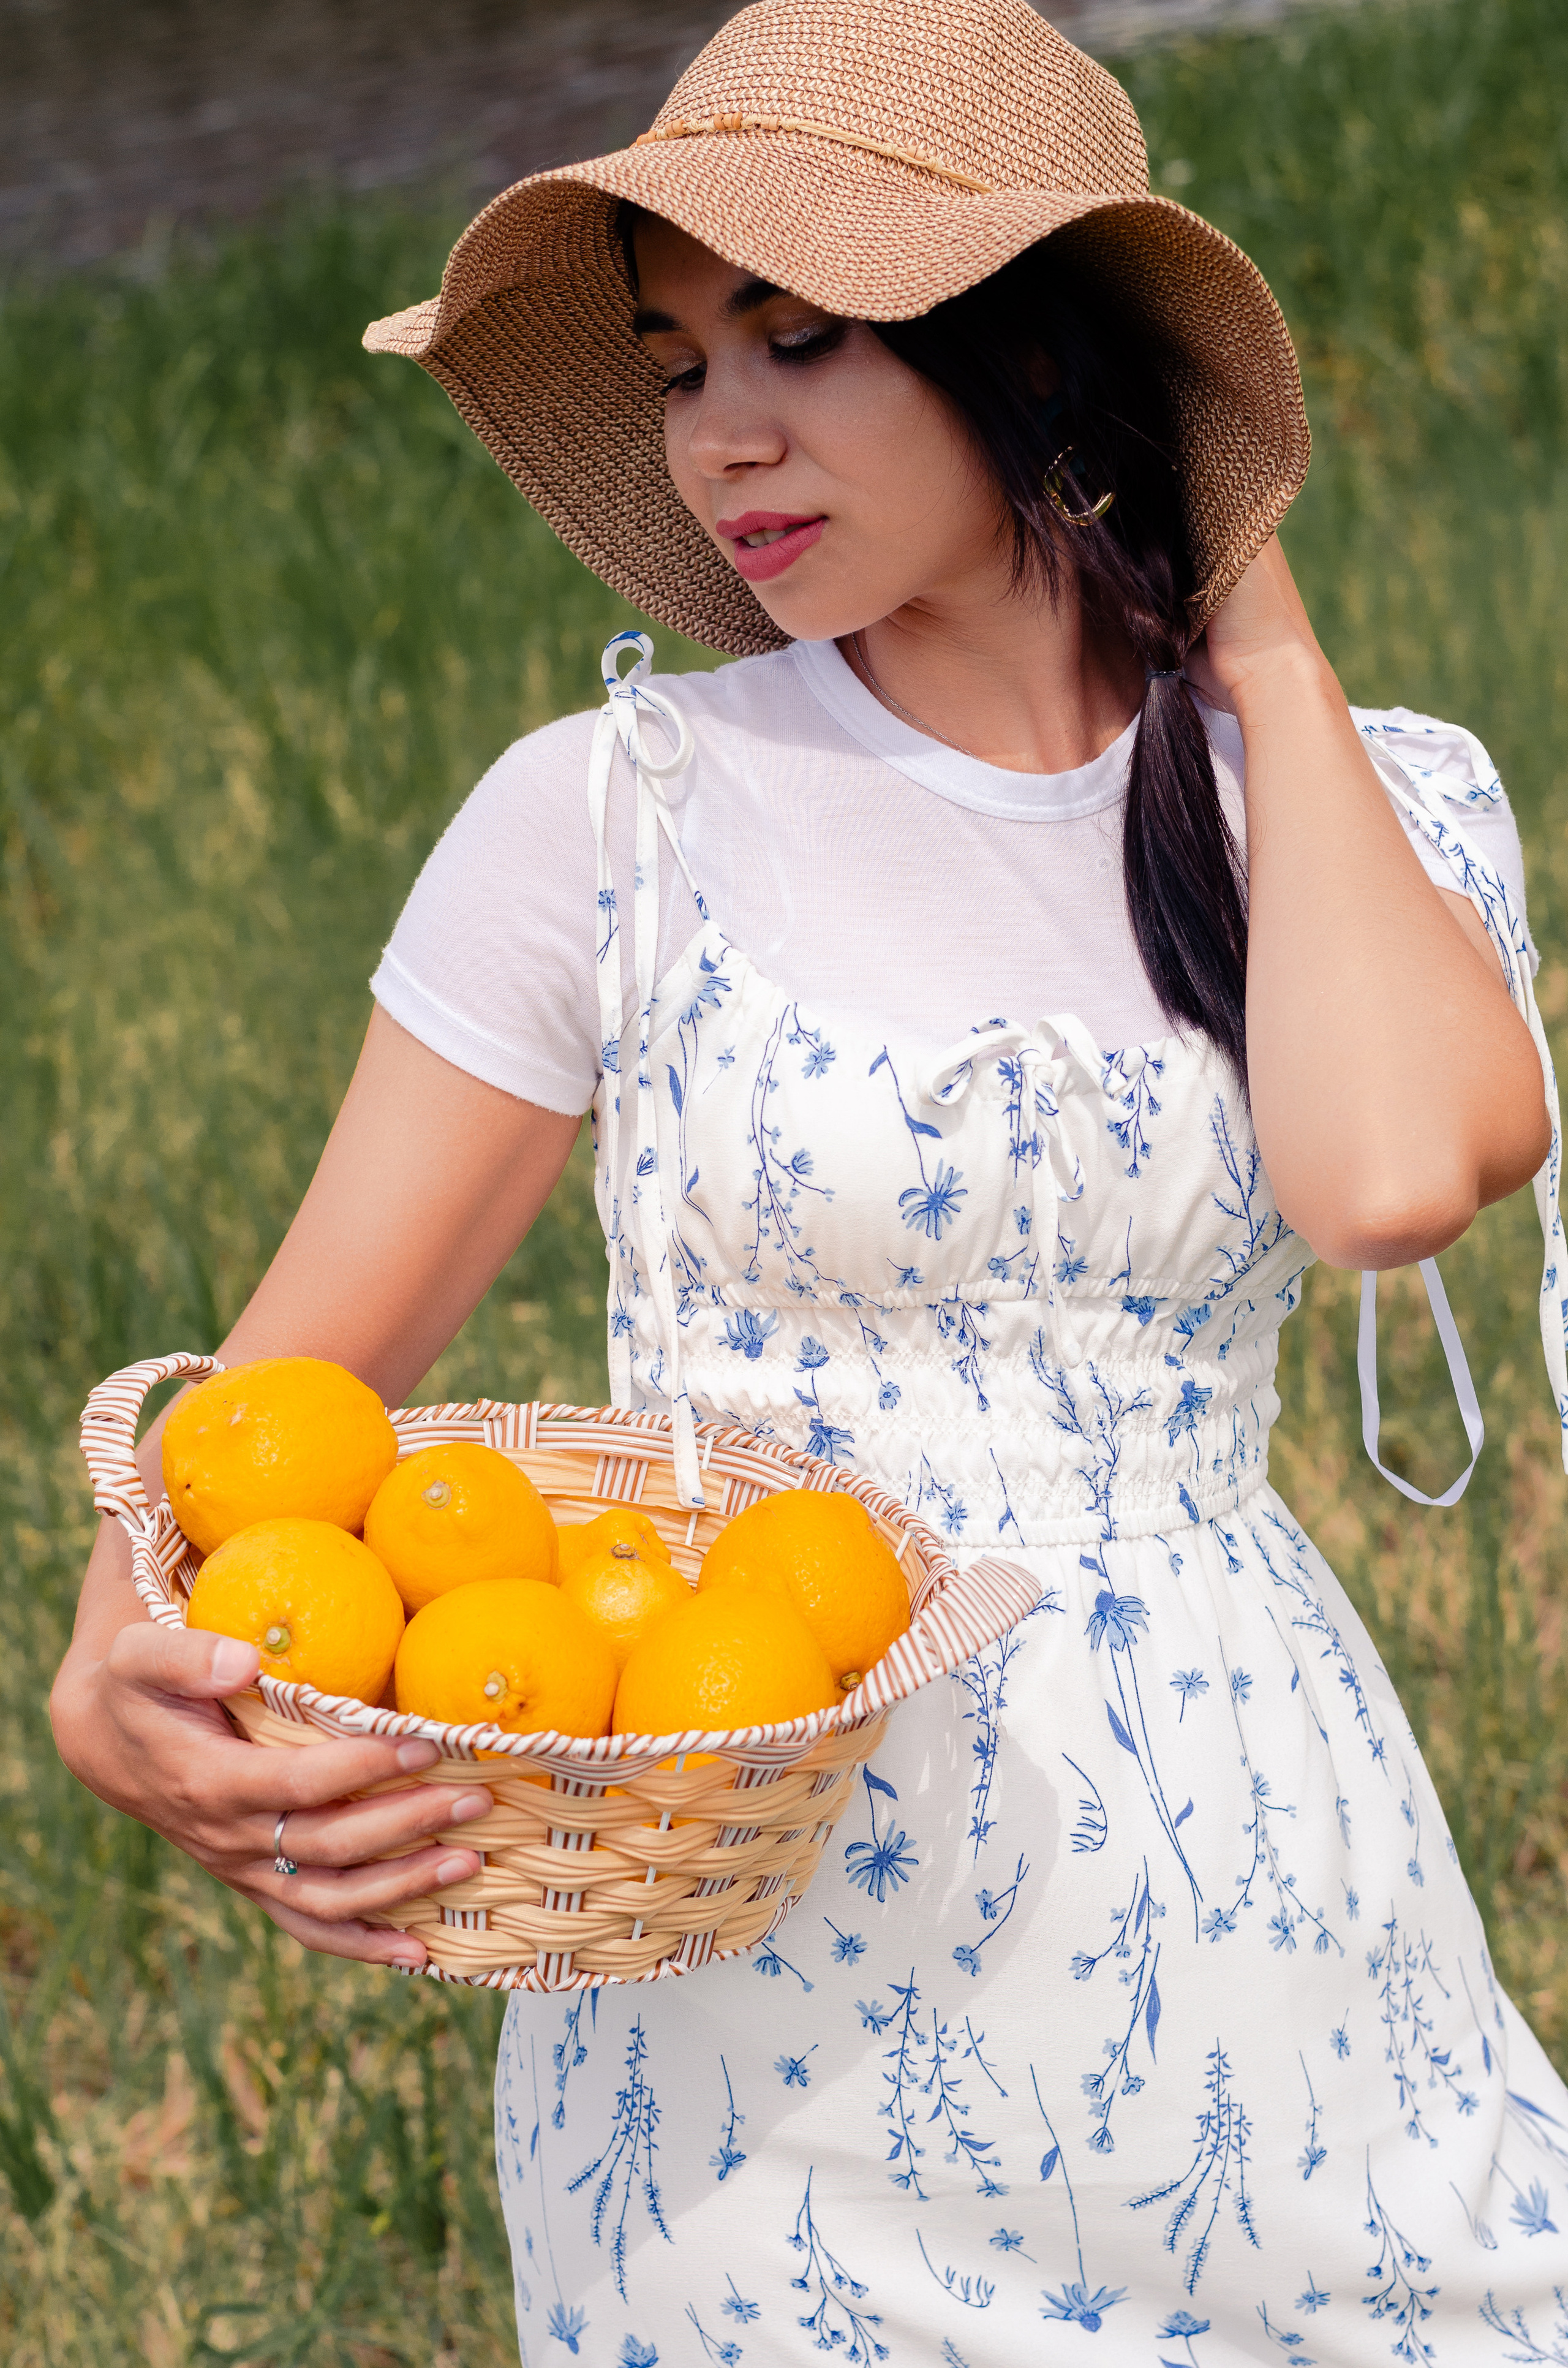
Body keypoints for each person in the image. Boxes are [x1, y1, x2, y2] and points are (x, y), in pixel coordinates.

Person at [51, 0, 1568, 2351]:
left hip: (1251, 1945)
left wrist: (1247, 616)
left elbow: (1386, 1178)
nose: (723, 435)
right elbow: (272, 1420)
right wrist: (103, 1673)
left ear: (1045, 361)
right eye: (673, 365)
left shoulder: (1346, 805)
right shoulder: (607, 817)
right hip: (753, 1998)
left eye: (802, 337)